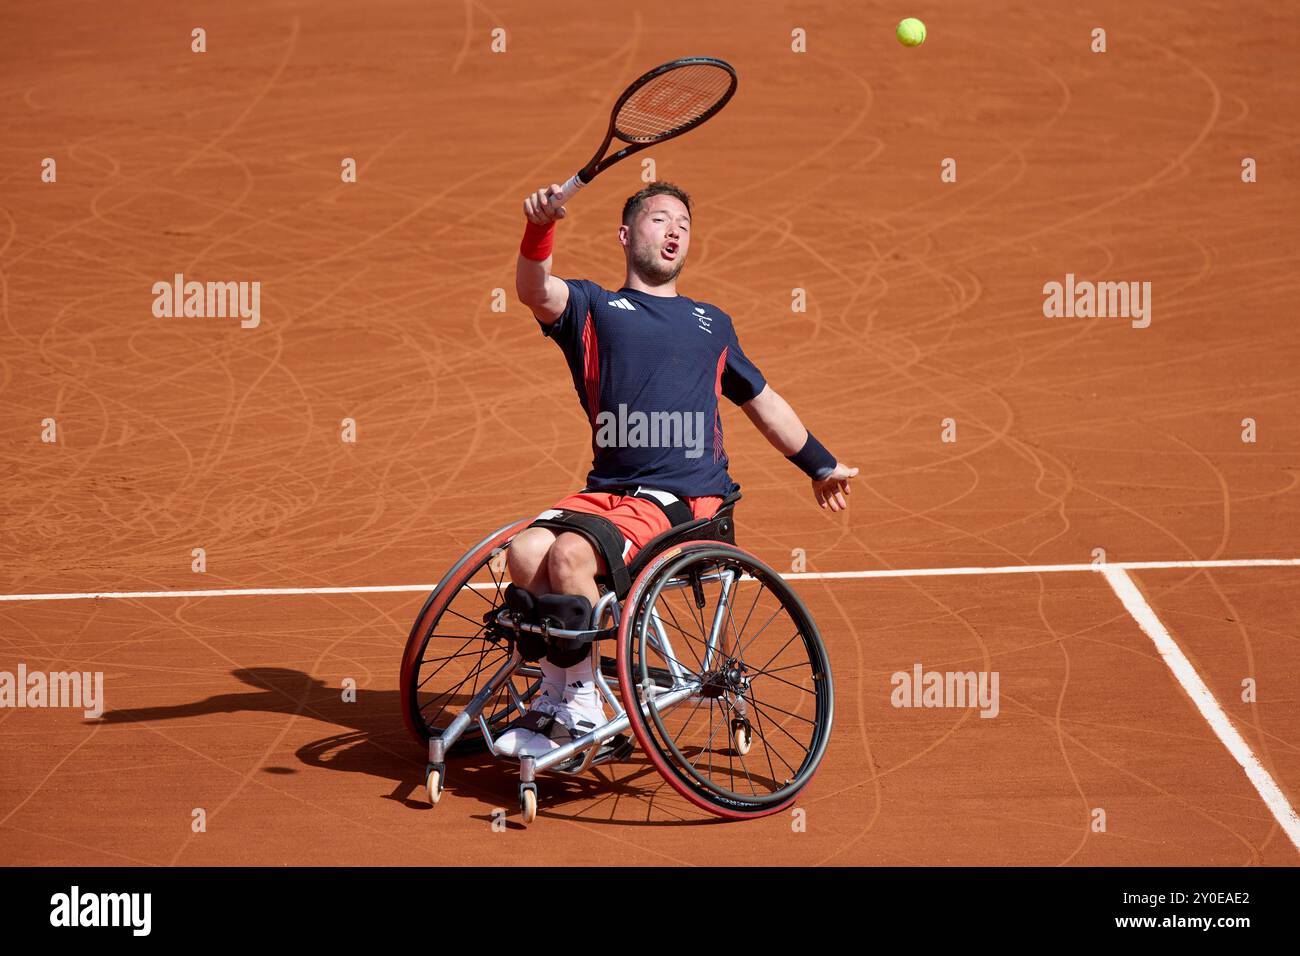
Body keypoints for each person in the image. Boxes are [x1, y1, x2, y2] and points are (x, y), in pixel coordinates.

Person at [498, 180, 857, 757]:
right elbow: (533, 289)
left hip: (686, 499)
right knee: (523, 554)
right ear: (624, 235)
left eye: (683, 225)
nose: (673, 231)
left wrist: (819, 463)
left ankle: (583, 704)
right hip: (610, 494)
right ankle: (559, 692)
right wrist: (540, 226)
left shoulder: (710, 324)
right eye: (660, 219)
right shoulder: (592, 307)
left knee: (567, 557)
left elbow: (762, 401)